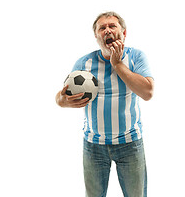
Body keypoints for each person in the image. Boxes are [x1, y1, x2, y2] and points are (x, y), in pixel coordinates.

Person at [55, 12, 154, 197]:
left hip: (130, 143)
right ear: (96, 37)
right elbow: (60, 98)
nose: (107, 30)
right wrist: (64, 101)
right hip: (94, 145)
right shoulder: (84, 63)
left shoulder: (136, 57)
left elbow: (147, 92)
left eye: (112, 26)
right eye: (102, 28)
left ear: (124, 33)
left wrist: (117, 64)